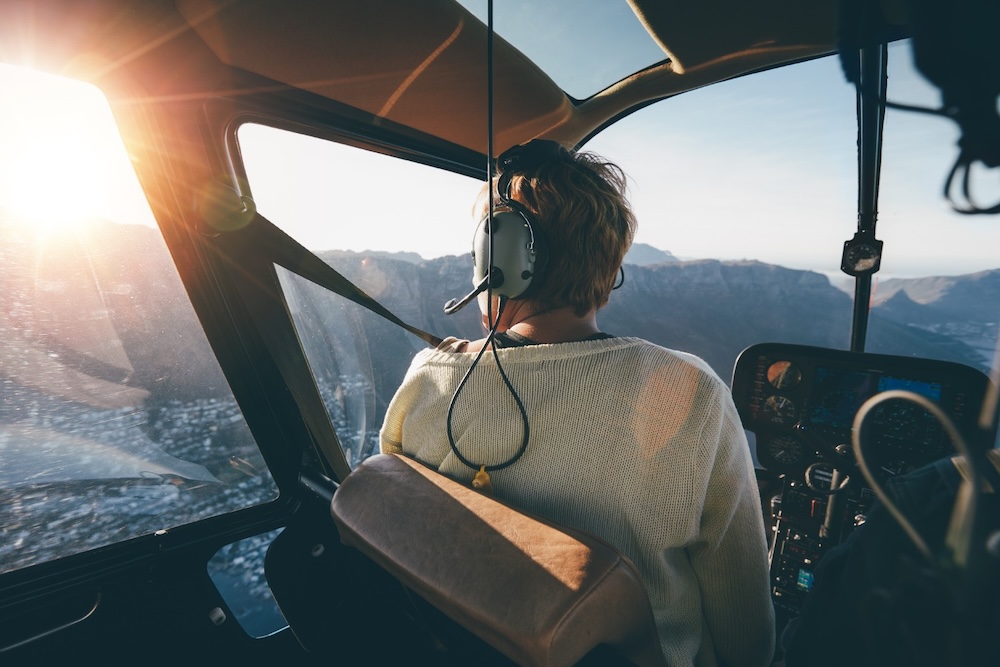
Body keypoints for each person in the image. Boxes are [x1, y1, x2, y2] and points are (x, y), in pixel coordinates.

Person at [379, 139, 775, 666]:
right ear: (608, 271)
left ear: (498, 259)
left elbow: (396, 526)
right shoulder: (690, 391)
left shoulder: (428, 380)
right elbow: (742, 615)